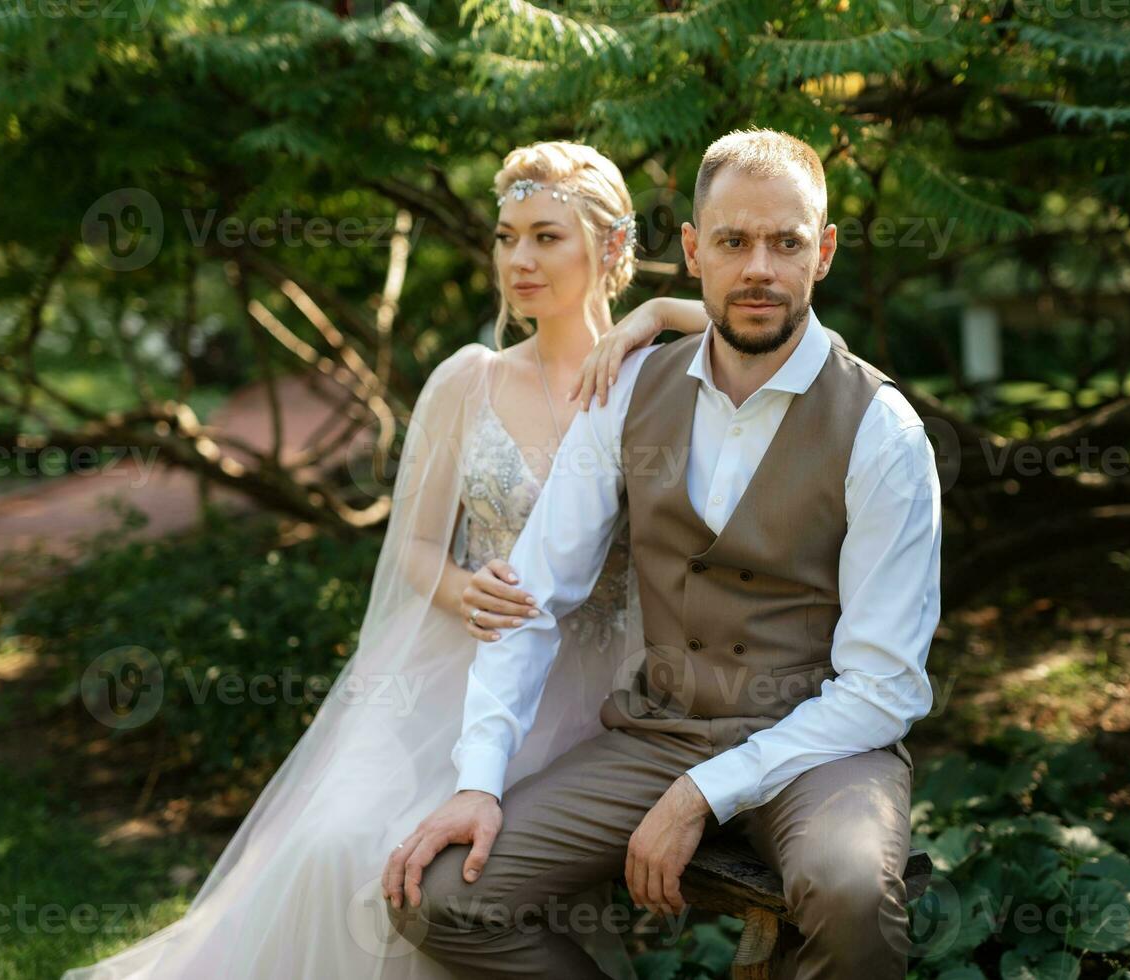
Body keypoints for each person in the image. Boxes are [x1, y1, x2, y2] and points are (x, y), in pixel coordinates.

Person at [62, 139, 711, 980]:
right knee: (344, 846)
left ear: (612, 247)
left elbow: (781, 329)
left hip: (584, 692)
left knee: (455, 874)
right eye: (506, 235)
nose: (519, 258)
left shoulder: (652, 379)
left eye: (547, 237)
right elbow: (412, 546)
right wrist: (464, 589)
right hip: (449, 667)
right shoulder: (467, 380)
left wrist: (655, 315)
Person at [382, 127, 943, 980]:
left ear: (822, 252)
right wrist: (479, 780)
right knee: (446, 899)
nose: (759, 267)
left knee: (851, 893)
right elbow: (533, 596)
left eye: (785, 243)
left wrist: (702, 795)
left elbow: (884, 686)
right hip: (663, 730)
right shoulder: (630, 392)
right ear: (692, 251)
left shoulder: (881, 429)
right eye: (732, 241)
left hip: (823, 743)